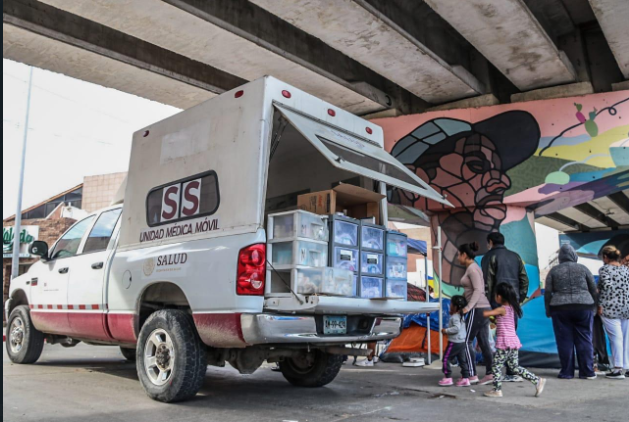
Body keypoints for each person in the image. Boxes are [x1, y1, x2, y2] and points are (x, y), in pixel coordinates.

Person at [483, 283, 546, 398]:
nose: (495, 297)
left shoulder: (502, 309)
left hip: (505, 343)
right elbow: (499, 321)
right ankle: (537, 380)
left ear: (501, 297)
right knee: (514, 367)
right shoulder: (511, 308)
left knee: (496, 366)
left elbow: (486, 313)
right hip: (512, 342)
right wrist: (493, 319)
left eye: (496, 295)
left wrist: (482, 310)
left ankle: (497, 390)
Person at [482, 231, 529, 382]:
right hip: (512, 303)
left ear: (490, 242)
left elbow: (487, 282)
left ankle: (493, 371)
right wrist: (518, 298)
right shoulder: (515, 256)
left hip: (494, 302)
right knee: (510, 335)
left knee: (492, 337)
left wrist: (486, 304)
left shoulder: (488, 257)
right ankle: (511, 371)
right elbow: (524, 280)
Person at [545, 244, 598, 379]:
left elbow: (548, 292)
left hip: (560, 308)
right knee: (585, 339)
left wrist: (548, 309)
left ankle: (567, 372)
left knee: (564, 341)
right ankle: (587, 372)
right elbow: (593, 289)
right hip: (583, 307)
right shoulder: (583, 269)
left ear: (560, 257)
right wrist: (595, 307)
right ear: (575, 256)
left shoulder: (554, 271)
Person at [458, 242, 494, 385]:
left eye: (458, 255)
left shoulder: (472, 269)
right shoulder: (473, 268)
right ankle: (490, 373)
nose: (457, 258)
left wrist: (468, 307)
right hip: (483, 307)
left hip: (478, 308)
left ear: (464, 255)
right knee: (484, 342)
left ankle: (471, 374)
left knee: (465, 341)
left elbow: (478, 290)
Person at [598, 246, 629, 380]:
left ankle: (617, 369)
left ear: (605, 257)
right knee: (626, 339)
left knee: (615, 338)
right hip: (626, 307)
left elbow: (606, 287)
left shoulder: (605, 269)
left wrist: (599, 304)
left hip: (610, 308)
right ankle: (626, 367)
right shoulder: (625, 269)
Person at [439, 296, 471, 387]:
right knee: (462, 360)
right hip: (461, 342)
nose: (450, 306)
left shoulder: (455, 317)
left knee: (446, 358)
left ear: (455, 306)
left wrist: (446, 331)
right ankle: (465, 378)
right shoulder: (461, 316)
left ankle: (447, 377)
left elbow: (456, 328)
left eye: (451, 304)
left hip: (454, 342)